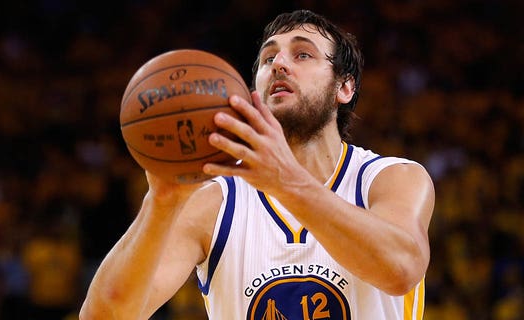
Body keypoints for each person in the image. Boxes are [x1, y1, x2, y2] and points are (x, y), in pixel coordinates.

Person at [80, 9, 435, 320]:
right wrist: (161, 202)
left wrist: (288, 183)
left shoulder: (390, 178)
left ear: (345, 87)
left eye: (303, 54)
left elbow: (401, 270)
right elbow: (104, 316)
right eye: (268, 59)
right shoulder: (213, 202)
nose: (279, 63)